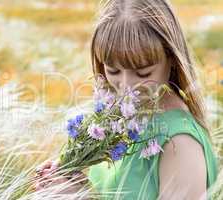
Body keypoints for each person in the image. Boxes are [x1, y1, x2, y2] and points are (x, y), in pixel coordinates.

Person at [33, 0, 219, 199]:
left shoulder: (180, 144)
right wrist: (72, 181)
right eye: (113, 70)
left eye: (143, 73)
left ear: (172, 59)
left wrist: (83, 196)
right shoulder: (122, 121)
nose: (126, 86)